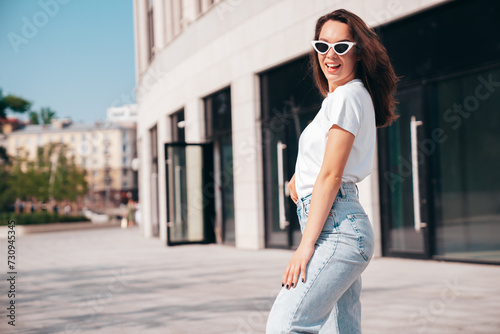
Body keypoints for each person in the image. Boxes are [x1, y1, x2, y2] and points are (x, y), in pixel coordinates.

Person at [266, 9, 399, 333]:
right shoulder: (344, 98)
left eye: (341, 47)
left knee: (285, 325)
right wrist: (301, 177)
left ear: (358, 51)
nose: (330, 55)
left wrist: (305, 246)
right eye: (322, 45)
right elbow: (326, 165)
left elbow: (331, 175)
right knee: (340, 329)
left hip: (336, 229)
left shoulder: (348, 96)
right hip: (340, 224)